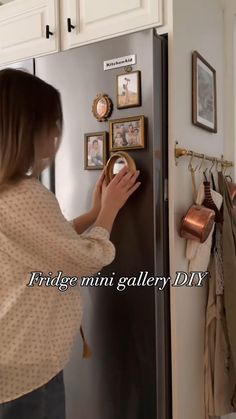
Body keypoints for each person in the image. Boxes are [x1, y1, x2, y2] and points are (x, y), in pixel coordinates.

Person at [0, 68, 141, 419]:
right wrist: (109, 211)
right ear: (27, 127)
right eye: (52, 124)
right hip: (27, 364)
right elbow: (83, 259)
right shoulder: (25, 194)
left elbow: (44, 241)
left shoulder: (8, 192)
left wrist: (93, 213)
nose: (57, 135)